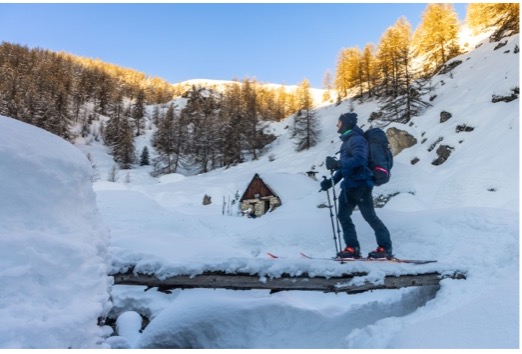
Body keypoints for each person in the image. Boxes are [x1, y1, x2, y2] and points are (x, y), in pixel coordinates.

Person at [320, 112, 393, 259]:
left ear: (346, 123)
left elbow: (360, 159)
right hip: (349, 186)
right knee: (343, 215)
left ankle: (385, 248)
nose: (337, 125)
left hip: (361, 184)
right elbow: (344, 168)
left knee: (370, 217)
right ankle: (352, 248)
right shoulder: (346, 142)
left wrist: (338, 163)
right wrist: (331, 182)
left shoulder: (357, 139)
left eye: (339, 122)